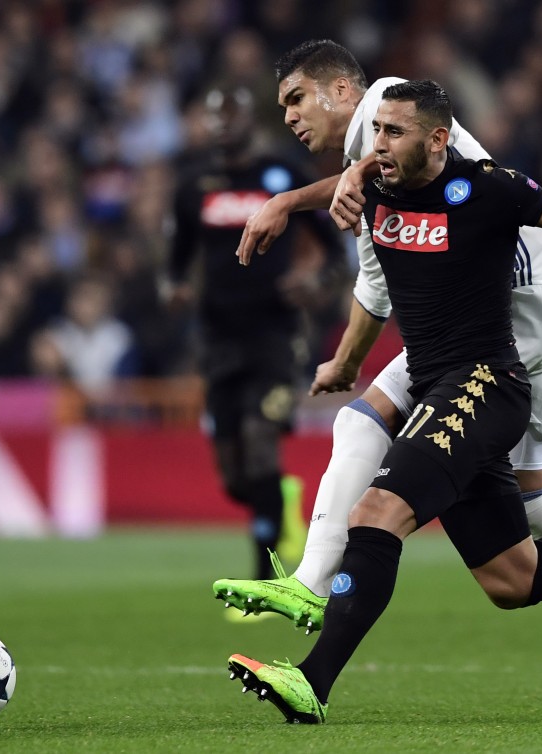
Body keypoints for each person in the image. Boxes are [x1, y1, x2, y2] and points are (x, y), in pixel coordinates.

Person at [224, 80, 542, 725]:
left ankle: (311, 678)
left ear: (438, 139)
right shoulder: (374, 188)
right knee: (513, 579)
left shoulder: (485, 190)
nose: (377, 146)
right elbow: (352, 193)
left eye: (394, 134)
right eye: (375, 135)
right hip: (436, 382)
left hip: (485, 384)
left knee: (378, 511)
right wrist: (293, 202)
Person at [168, 85, 344, 581]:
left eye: (231, 114)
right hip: (218, 337)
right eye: (213, 114)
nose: (222, 124)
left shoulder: (282, 176)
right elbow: (174, 263)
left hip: (275, 334)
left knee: (260, 439)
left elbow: (333, 252)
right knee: (235, 477)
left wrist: (315, 283)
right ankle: (276, 502)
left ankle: (266, 578)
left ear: (252, 120)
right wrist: (174, 288)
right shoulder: (192, 187)